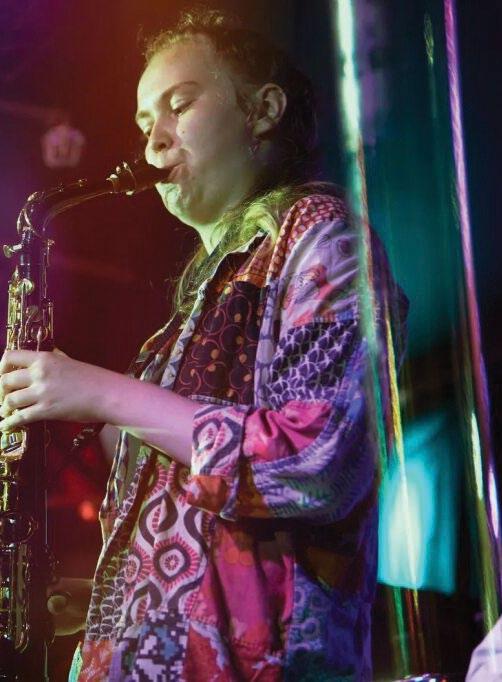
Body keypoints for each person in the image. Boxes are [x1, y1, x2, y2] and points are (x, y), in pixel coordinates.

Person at [0, 8, 407, 681]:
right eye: (142, 123)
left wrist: (99, 391)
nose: (153, 141)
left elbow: (317, 462)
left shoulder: (322, 236)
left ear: (262, 111)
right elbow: (202, 528)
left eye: (179, 105)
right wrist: (111, 601)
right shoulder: (183, 321)